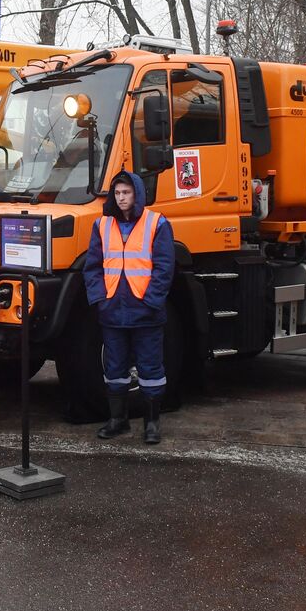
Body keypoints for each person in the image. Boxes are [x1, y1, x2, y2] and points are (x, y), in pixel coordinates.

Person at [84, 170, 175, 444]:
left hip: (145, 312)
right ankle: (118, 421)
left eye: (126, 192)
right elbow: (92, 267)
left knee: (151, 369)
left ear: (136, 194)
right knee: (114, 369)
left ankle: (152, 424)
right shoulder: (102, 225)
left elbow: (164, 267)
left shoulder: (157, 223)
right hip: (113, 311)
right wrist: (101, 299)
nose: (121, 198)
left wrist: (150, 301)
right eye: (118, 193)